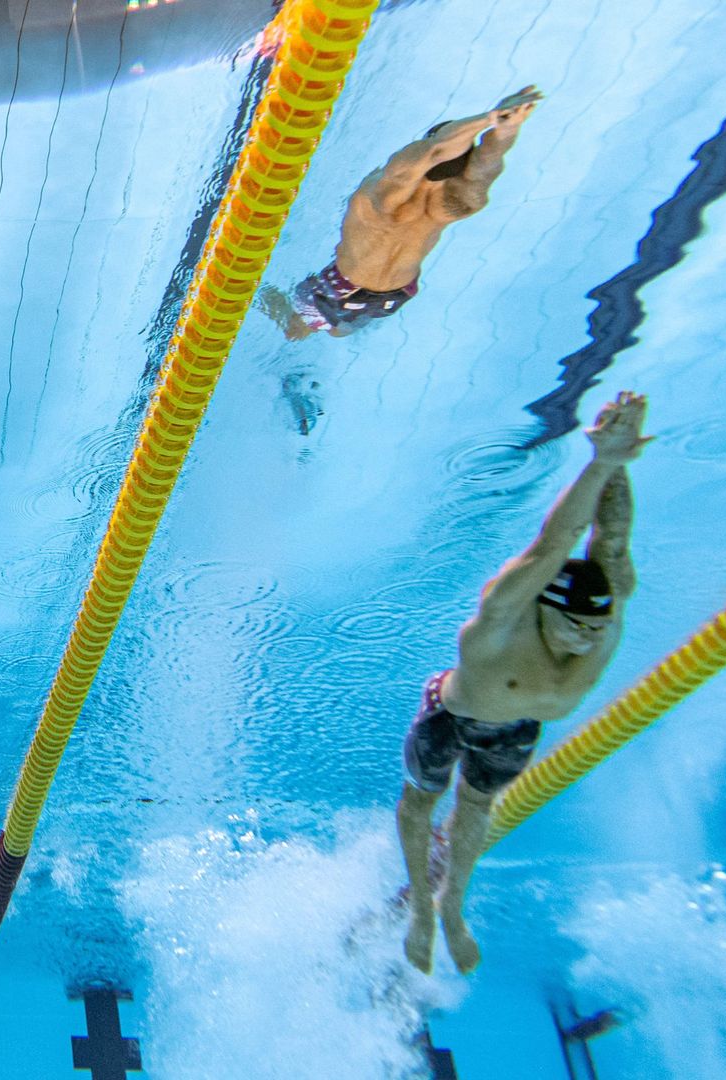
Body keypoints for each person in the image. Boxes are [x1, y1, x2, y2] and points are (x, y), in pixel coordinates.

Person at [397, 391, 650, 974]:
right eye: (575, 627)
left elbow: (610, 546)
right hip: (451, 715)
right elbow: (553, 545)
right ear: (544, 608)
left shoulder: (603, 618)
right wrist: (596, 464)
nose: (588, 641)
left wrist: (617, 460)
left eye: (595, 629)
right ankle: (419, 915)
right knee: (420, 808)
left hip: (514, 731)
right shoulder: (504, 619)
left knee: (475, 811)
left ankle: (451, 906)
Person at [260, 86, 542, 340]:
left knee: (291, 326)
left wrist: (490, 119)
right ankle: (337, 326)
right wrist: (506, 128)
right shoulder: (458, 203)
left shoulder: (387, 191)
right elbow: (487, 161)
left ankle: (280, 304)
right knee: (340, 332)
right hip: (396, 297)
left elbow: (437, 150)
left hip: (341, 287)